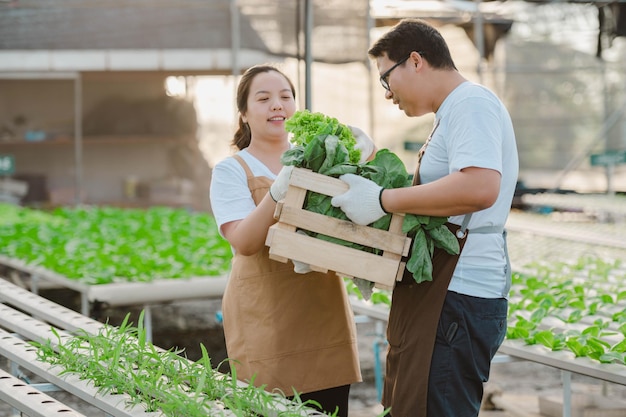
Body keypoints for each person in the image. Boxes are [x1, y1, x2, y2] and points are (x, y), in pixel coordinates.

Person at [330, 19, 519, 417]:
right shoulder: (451, 112)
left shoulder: (471, 103)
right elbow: (439, 194)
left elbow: (480, 187)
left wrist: (383, 199)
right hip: (444, 289)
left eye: (386, 78)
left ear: (415, 61)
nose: (387, 94)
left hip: (459, 292)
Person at [209, 64, 374, 417]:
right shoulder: (231, 170)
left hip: (321, 307)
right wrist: (280, 191)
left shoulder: (321, 160)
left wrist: (363, 161)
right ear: (244, 113)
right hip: (265, 316)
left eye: (285, 97)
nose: (277, 105)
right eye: (264, 98)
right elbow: (244, 242)